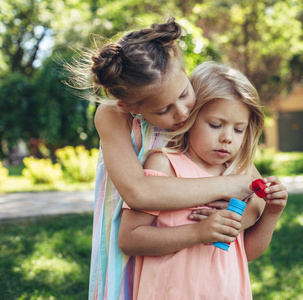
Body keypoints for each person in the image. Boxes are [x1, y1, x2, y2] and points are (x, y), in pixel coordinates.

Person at [65, 18, 264, 300]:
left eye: (184, 94)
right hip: (134, 242)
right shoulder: (114, 116)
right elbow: (138, 192)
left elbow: (254, 194)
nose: (182, 112)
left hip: (186, 260)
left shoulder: (199, 115)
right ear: (129, 105)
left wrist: (230, 219)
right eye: (163, 110)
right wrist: (227, 187)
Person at [118, 61, 288, 299]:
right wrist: (199, 232)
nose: (227, 138)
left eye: (239, 129)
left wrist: (272, 213)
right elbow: (130, 239)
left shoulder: (237, 175)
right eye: (216, 125)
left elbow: (245, 252)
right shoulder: (165, 164)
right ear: (190, 118)